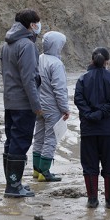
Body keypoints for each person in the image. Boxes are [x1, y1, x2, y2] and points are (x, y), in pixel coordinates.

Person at [0, 9, 43, 198]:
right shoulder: (26, 45)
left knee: (11, 141)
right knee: (20, 142)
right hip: (23, 103)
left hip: (9, 100)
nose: (39, 27)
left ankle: (13, 182)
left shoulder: (6, 44)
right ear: (31, 25)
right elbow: (29, 79)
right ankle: (13, 185)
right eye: (37, 23)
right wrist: (37, 105)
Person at [74, 47, 110, 209]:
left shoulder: (82, 79)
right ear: (107, 62)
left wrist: (90, 114)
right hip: (108, 130)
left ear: (91, 60)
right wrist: (102, 113)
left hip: (89, 129)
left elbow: (78, 100)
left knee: (89, 165)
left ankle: (92, 199)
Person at [32, 31, 70, 182]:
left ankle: (36, 170)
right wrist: (65, 108)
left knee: (39, 136)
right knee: (51, 138)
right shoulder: (56, 63)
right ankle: (44, 172)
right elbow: (59, 89)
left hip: (38, 105)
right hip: (52, 107)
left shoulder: (39, 58)